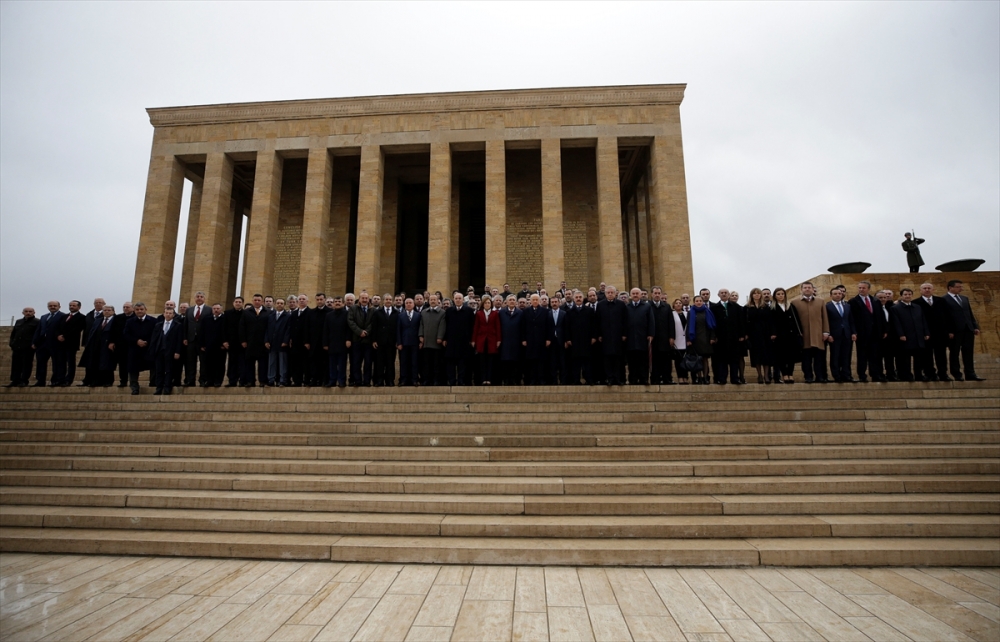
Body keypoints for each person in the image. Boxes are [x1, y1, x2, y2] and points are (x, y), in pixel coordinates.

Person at [942, 279, 984, 381]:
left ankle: (970, 373)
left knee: (968, 352)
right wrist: (949, 331)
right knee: (954, 353)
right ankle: (957, 374)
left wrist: (975, 326)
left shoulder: (964, 298)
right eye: (958, 287)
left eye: (961, 287)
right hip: (955, 331)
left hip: (968, 329)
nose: (961, 288)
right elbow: (944, 317)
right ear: (950, 288)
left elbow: (970, 313)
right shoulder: (944, 299)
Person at [790, 282, 830, 383]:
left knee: (818, 358)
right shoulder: (795, 302)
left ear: (813, 289)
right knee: (806, 359)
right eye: (805, 288)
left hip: (817, 335)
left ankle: (819, 376)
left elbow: (824, 317)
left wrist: (826, 331)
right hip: (804, 335)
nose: (807, 289)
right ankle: (808, 376)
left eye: (809, 287)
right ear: (801, 290)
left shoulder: (820, 301)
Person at [848, 281, 884, 383]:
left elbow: (880, 317)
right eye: (859, 288)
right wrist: (854, 332)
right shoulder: (853, 301)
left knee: (875, 355)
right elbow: (852, 319)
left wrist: (883, 330)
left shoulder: (875, 301)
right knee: (862, 356)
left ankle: (875, 374)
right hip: (862, 334)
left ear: (868, 289)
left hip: (875, 334)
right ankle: (862, 375)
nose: (861, 289)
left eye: (863, 288)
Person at [891, 288, 930, 381]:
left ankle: (919, 375)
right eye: (905, 294)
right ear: (901, 296)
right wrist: (901, 334)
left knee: (919, 359)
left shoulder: (917, 307)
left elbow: (923, 320)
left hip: (918, 336)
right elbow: (896, 323)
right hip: (905, 337)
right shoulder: (895, 308)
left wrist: (926, 332)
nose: (907, 296)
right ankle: (907, 375)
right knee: (905, 359)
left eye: (909, 294)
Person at [914, 283, 950, 381]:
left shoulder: (941, 301)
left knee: (941, 355)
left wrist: (949, 331)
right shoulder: (916, 303)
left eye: (929, 288)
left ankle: (943, 374)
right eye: (924, 288)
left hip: (940, 334)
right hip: (925, 334)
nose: (927, 290)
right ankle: (930, 374)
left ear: (933, 289)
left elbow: (948, 317)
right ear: (920, 290)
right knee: (926, 355)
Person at [710, 289, 744, 385]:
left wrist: (741, 335)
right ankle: (722, 378)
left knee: (734, 359)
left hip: (734, 337)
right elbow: (712, 324)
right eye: (722, 293)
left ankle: (735, 378)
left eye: (726, 293)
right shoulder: (714, 308)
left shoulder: (736, 307)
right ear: (718, 295)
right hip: (720, 338)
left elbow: (740, 321)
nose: (724, 294)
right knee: (722, 359)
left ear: (728, 295)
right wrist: (714, 336)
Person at [596, 286, 628, 386]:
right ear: (605, 294)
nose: (610, 294)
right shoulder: (600, 305)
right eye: (608, 292)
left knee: (618, 359)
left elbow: (625, 320)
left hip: (618, 336)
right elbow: (598, 321)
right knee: (607, 359)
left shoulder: (621, 304)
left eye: (612, 292)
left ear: (615, 294)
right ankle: (609, 378)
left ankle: (618, 378)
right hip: (605, 337)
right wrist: (599, 334)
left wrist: (624, 334)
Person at [31, 300, 67, 387]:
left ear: (59, 306)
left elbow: (64, 328)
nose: (52, 307)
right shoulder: (44, 317)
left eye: (55, 305)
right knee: (40, 363)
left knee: (57, 363)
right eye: (50, 306)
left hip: (56, 343)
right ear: (48, 307)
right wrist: (34, 342)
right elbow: (38, 330)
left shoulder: (63, 316)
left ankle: (56, 380)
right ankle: (40, 381)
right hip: (42, 343)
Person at [825, 287, 857, 383]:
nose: (838, 295)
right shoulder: (827, 306)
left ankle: (846, 375)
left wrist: (853, 332)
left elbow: (851, 320)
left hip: (846, 334)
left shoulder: (847, 306)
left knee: (846, 356)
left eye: (839, 293)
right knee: (835, 356)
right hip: (834, 335)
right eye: (835, 294)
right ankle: (837, 375)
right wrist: (828, 334)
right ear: (831, 295)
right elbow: (826, 322)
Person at [239, 294, 271, 387]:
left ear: (262, 301)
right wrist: (243, 340)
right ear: (252, 301)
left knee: (263, 363)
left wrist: (268, 340)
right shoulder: (246, 312)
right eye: (255, 300)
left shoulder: (268, 312)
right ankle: (250, 381)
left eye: (259, 300)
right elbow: (242, 327)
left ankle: (263, 381)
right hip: (250, 342)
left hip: (263, 342)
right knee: (249, 363)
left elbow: (270, 328)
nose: (257, 302)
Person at [80, 304, 116, 387]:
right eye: (105, 310)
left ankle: (107, 381)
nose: (106, 312)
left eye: (109, 310)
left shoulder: (115, 320)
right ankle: (95, 381)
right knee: (95, 363)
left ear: (113, 312)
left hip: (108, 346)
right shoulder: (98, 320)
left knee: (107, 364)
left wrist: (113, 342)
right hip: (96, 345)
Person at [624, 288, 654, 386]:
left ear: (641, 295)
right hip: (630, 338)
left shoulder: (646, 306)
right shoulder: (626, 307)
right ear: (630, 295)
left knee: (643, 360)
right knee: (632, 361)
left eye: (637, 293)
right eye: (633, 293)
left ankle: (644, 379)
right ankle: (633, 379)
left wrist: (651, 334)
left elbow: (651, 321)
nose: (635, 295)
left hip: (643, 338)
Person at [150, 308, 183, 395]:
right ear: (163, 314)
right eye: (166, 313)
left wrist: (177, 352)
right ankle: (159, 388)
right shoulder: (158, 325)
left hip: (171, 351)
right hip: (160, 351)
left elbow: (179, 340)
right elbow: (154, 339)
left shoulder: (178, 325)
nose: (168, 314)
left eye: (170, 313)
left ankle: (167, 387)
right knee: (159, 370)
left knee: (169, 370)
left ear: (173, 315)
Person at [123, 302, 154, 395]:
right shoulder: (130, 321)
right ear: (134, 310)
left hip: (148, 348)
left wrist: (146, 342)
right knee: (133, 369)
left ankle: (153, 384)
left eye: (141, 309)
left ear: (145, 310)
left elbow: (156, 334)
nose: (139, 311)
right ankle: (134, 387)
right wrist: (136, 341)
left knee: (153, 366)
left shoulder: (153, 321)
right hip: (134, 348)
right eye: (137, 309)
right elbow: (126, 334)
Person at [444, 292, 475, 386]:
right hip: (451, 341)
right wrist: (445, 338)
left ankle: (461, 380)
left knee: (462, 363)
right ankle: (452, 381)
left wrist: (471, 339)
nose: (458, 300)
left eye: (459, 298)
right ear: (453, 300)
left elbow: (472, 326)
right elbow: (445, 326)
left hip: (464, 341)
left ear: (463, 300)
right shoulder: (449, 311)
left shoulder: (469, 311)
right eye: (456, 298)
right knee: (451, 363)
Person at [521, 294, 552, 385]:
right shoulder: (526, 311)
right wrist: (523, 339)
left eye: (536, 300)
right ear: (530, 301)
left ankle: (541, 379)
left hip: (541, 340)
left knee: (541, 361)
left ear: (539, 301)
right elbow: (523, 326)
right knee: (531, 361)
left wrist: (548, 339)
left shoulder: (545, 311)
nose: (535, 301)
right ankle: (532, 379)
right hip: (530, 340)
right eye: (533, 300)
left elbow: (549, 326)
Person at [564, 291, 594, 385]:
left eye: (580, 297)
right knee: (575, 362)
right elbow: (567, 327)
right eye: (576, 297)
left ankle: (589, 379)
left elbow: (594, 325)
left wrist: (593, 337)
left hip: (587, 340)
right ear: (573, 298)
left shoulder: (589, 310)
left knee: (587, 362)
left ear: (583, 298)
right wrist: (568, 339)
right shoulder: (569, 312)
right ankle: (576, 380)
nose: (578, 299)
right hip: (574, 341)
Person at [770, 288, 800, 384]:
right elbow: (771, 322)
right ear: (775, 296)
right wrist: (773, 333)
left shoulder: (790, 306)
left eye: (782, 294)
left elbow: (797, 320)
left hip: (791, 335)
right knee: (781, 356)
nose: (780, 295)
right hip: (779, 336)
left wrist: (799, 332)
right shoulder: (772, 307)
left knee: (791, 355)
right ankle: (784, 375)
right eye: (778, 294)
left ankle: (790, 374)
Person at [744, 288, 774, 384]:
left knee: (766, 355)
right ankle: (759, 375)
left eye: (758, 293)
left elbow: (770, 321)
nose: (756, 295)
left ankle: (766, 376)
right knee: (756, 355)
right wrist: (746, 334)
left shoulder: (766, 307)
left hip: (765, 333)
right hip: (753, 334)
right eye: (754, 293)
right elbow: (745, 322)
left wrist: (772, 333)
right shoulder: (747, 307)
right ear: (751, 295)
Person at [686, 295, 716, 384]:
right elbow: (688, 327)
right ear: (694, 302)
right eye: (697, 301)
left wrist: (712, 337)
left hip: (706, 339)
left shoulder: (707, 311)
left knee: (705, 359)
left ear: (703, 302)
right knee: (697, 359)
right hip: (695, 339)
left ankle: (706, 377)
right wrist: (689, 339)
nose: (698, 302)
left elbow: (712, 326)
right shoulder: (691, 312)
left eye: (700, 300)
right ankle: (699, 377)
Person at [371, 292, 399, 387]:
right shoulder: (377, 312)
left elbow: (398, 328)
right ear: (383, 301)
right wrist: (374, 340)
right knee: (379, 362)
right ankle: (379, 380)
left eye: (390, 300)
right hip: (380, 342)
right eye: (386, 299)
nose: (388, 301)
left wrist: (397, 341)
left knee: (390, 362)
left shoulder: (396, 313)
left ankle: (389, 380)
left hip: (392, 342)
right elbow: (374, 327)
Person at [322, 296, 351, 387]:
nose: (337, 303)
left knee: (342, 363)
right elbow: (325, 330)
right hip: (332, 343)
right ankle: (332, 380)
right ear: (333, 304)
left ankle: (342, 381)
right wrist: (325, 343)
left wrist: (348, 339)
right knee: (332, 364)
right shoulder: (329, 315)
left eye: (339, 301)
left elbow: (349, 329)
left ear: (343, 303)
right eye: (336, 301)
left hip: (343, 343)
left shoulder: (347, 314)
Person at [472, 295, 501, 385]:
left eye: (489, 303)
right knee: (482, 361)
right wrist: (473, 340)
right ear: (483, 304)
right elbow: (476, 327)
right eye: (486, 303)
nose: (487, 304)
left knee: (490, 361)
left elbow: (498, 327)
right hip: (481, 339)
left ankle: (489, 379)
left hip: (492, 339)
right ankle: (483, 379)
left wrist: (498, 340)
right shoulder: (479, 313)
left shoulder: (495, 314)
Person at [418, 294, 447, 386]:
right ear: (428, 301)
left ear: (438, 300)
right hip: (426, 342)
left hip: (436, 343)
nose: (433, 301)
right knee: (426, 363)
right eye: (431, 300)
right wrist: (421, 335)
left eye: (434, 299)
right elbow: (421, 325)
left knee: (436, 364)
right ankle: (427, 380)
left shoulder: (442, 312)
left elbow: (442, 326)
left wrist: (440, 337)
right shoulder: (423, 312)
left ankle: (436, 380)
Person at [347, 292, 374, 387]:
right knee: (356, 362)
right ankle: (357, 381)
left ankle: (367, 381)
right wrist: (359, 332)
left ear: (368, 299)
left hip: (368, 341)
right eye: (363, 298)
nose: (364, 300)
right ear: (359, 299)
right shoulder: (353, 308)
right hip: (356, 340)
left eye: (366, 298)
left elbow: (373, 322)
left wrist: (366, 332)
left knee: (368, 363)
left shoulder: (373, 310)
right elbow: (350, 321)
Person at [8, 307, 38, 387]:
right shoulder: (18, 321)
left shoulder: (37, 322)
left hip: (28, 348)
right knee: (15, 365)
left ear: (34, 312)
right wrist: (12, 343)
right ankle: (15, 380)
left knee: (26, 364)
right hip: (17, 347)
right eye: (26, 311)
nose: (28, 313)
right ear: (23, 312)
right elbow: (13, 334)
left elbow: (37, 334)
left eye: (30, 311)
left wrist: (34, 344)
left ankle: (24, 380)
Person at [183, 291, 209, 386]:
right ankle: (190, 380)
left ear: (204, 298)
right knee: (190, 362)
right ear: (194, 298)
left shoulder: (209, 310)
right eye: (197, 296)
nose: (199, 298)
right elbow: (186, 324)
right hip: (191, 340)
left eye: (201, 296)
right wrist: (185, 337)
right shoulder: (189, 310)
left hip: (202, 341)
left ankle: (203, 380)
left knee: (204, 362)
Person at [649, 287, 674, 385]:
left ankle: (667, 378)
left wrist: (672, 337)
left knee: (666, 360)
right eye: (655, 293)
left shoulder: (666, 306)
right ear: (652, 294)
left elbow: (671, 323)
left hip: (665, 338)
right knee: (654, 360)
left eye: (659, 293)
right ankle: (655, 379)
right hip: (653, 338)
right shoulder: (648, 306)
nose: (657, 295)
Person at [265, 298, 291, 386]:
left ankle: (282, 380)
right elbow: (267, 329)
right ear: (275, 304)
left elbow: (288, 330)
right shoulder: (271, 315)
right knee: (271, 362)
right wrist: (266, 341)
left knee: (282, 363)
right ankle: (271, 379)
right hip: (272, 343)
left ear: (284, 305)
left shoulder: (287, 316)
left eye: (282, 303)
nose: (280, 305)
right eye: (278, 303)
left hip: (282, 343)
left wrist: (285, 341)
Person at [498, 295, 524, 385]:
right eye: (510, 300)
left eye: (513, 300)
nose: (512, 301)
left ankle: (515, 381)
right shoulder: (501, 313)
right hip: (505, 342)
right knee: (505, 362)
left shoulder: (520, 313)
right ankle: (506, 381)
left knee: (515, 362)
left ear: (516, 302)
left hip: (516, 342)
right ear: (506, 302)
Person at [396, 298, 422, 386]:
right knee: (403, 362)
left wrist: (420, 341)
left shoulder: (418, 315)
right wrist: (399, 342)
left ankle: (414, 379)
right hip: (404, 343)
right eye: (407, 303)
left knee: (414, 362)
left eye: (410, 303)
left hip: (415, 343)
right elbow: (398, 330)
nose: (408, 304)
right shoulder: (400, 315)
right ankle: (403, 380)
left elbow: (420, 328)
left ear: (413, 304)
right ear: (404, 304)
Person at [305, 294, 330, 386]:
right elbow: (307, 328)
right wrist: (307, 341)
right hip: (313, 342)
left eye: (321, 299)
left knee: (324, 362)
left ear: (325, 300)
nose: (319, 301)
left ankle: (324, 380)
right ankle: (314, 380)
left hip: (325, 342)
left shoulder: (329, 312)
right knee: (314, 362)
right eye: (318, 299)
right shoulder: (311, 312)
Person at [201, 304, 227, 387]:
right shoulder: (207, 319)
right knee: (208, 364)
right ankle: (209, 380)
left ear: (221, 309)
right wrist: (202, 344)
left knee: (220, 364)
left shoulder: (225, 319)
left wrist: (224, 342)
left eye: (218, 308)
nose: (216, 310)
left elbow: (227, 332)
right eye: (214, 308)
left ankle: (218, 381)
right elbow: (202, 332)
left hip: (220, 346)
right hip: (209, 346)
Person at [62, 300, 86, 386]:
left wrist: (64, 336)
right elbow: (58, 327)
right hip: (60, 343)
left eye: (74, 305)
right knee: (61, 362)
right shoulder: (64, 316)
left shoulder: (82, 317)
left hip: (71, 343)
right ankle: (60, 379)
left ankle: (69, 379)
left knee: (71, 363)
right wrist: (58, 335)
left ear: (79, 307)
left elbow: (77, 329)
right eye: (70, 305)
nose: (71, 307)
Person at [876, 290, 898, 381]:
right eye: (880, 298)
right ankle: (880, 375)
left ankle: (891, 374)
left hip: (890, 338)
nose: (883, 299)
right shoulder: (874, 308)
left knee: (889, 357)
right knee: (878, 358)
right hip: (878, 337)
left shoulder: (890, 307)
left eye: (884, 297)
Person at [222, 297, 245, 387]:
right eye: (236, 302)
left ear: (242, 303)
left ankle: (242, 381)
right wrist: (224, 341)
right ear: (233, 303)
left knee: (242, 363)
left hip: (242, 343)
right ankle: (232, 381)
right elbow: (223, 328)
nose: (238, 303)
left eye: (240, 302)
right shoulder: (227, 313)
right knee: (232, 363)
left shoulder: (245, 313)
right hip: (231, 343)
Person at [112, 302, 133, 387]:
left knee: (132, 364)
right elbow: (113, 330)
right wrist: (112, 341)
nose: (125, 308)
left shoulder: (136, 317)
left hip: (132, 345)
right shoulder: (118, 318)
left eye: (127, 307)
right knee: (122, 364)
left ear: (132, 308)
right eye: (124, 307)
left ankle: (133, 381)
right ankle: (123, 381)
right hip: (121, 345)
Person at [548, 295, 567, 384]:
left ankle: (563, 381)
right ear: (550, 303)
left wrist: (567, 340)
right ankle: (553, 381)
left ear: (559, 303)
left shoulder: (564, 313)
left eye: (556, 302)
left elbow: (567, 328)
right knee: (552, 363)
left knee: (563, 363)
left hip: (562, 341)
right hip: (551, 342)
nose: (554, 303)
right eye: (552, 302)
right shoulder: (547, 314)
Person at [668, 299, 687, 384]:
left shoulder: (686, 314)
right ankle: (680, 377)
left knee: (685, 360)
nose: (678, 304)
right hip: (676, 340)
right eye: (676, 303)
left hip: (686, 340)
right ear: (673, 305)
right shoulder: (671, 314)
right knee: (678, 360)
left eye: (680, 303)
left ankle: (685, 377)